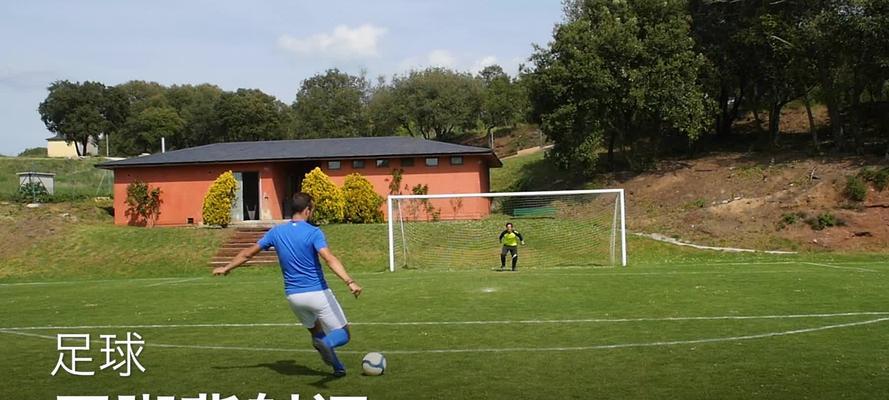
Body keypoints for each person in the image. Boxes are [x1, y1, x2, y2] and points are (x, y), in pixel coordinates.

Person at [212, 192, 362, 377]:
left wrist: (227, 267)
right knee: (344, 334)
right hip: (317, 293)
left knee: (316, 331)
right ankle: (328, 344)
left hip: (294, 297)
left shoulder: (276, 231)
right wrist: (350, 281)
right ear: (307, 210)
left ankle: (338, 367)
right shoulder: (313, 232)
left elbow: (248, 253)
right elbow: (329, 259)